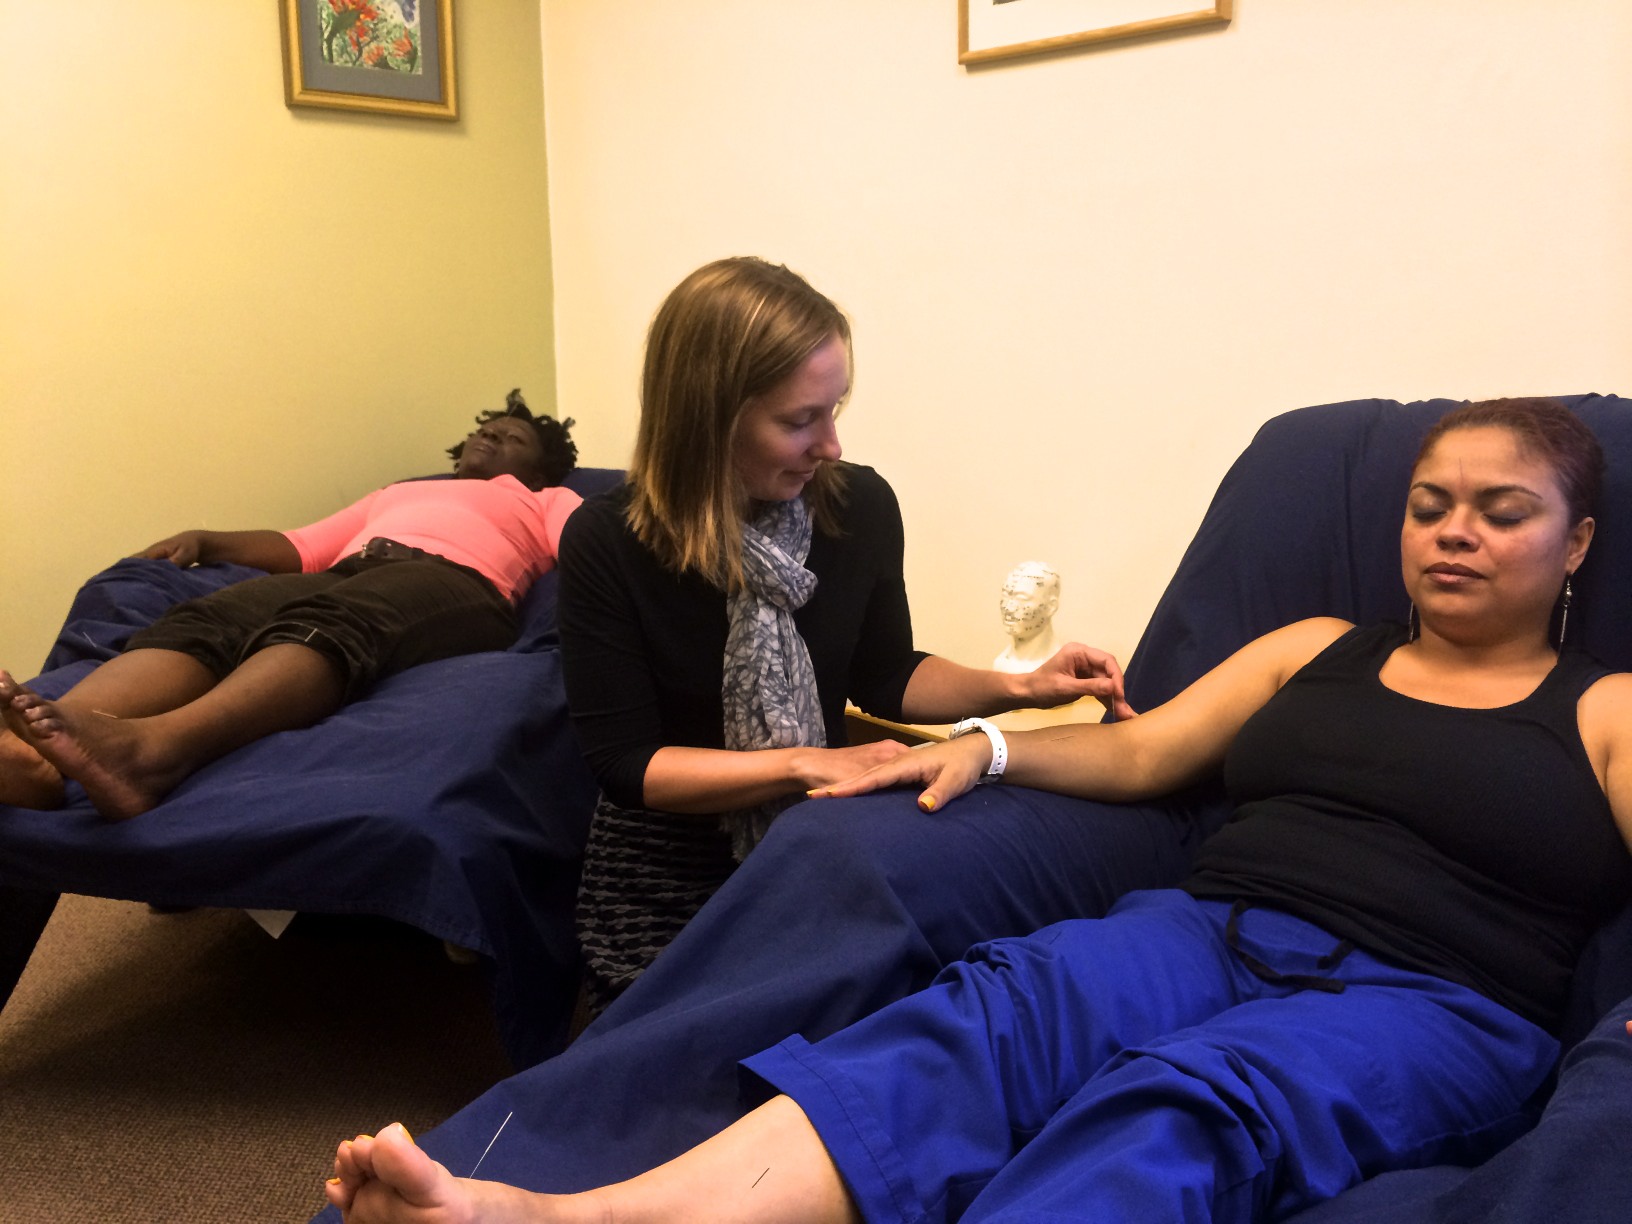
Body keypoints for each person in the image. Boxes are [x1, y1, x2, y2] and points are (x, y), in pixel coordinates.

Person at [325, 397, 1632, 1222]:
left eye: (1500, 512)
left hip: (1427, 1000)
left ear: (1575, 542)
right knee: (988, 1015)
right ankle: (574, 1217)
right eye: (1429, 507)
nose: (1452, 533)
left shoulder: (1607, 707)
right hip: (1208, 926)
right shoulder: (1317, 647)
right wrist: (985, 750)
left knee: (1179, 1111)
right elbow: (1145, 755)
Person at [557, 257, 1133, 1015]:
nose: (829, 444)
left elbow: (886, 674)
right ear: (708, 418)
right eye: (799, 421)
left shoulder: (860, 506)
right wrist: (805, 763)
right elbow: (627, 765)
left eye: (834, 410)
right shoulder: (606, 541)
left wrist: (1020, 686)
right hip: (664, 873)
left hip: (817, 841)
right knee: (674, 1044)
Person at [0, 391, 580, 821]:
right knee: (212, 617)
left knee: (331, 621)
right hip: (348, 570)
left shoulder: (546, 499)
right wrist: (206, 540)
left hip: (455, 583)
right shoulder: (401, 491)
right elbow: (303, 547)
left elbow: (590, 547)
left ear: (538, 470)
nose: (491, 436)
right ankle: (36, 753)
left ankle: (155, 754)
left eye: (512, 438)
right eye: (488, 428)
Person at [992, 560, 1061, 672]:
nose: (1008, 608)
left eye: (1022, 598)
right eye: (1005, 595)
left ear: (1051, 606)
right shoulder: (1001, 663)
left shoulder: (1058, 669)